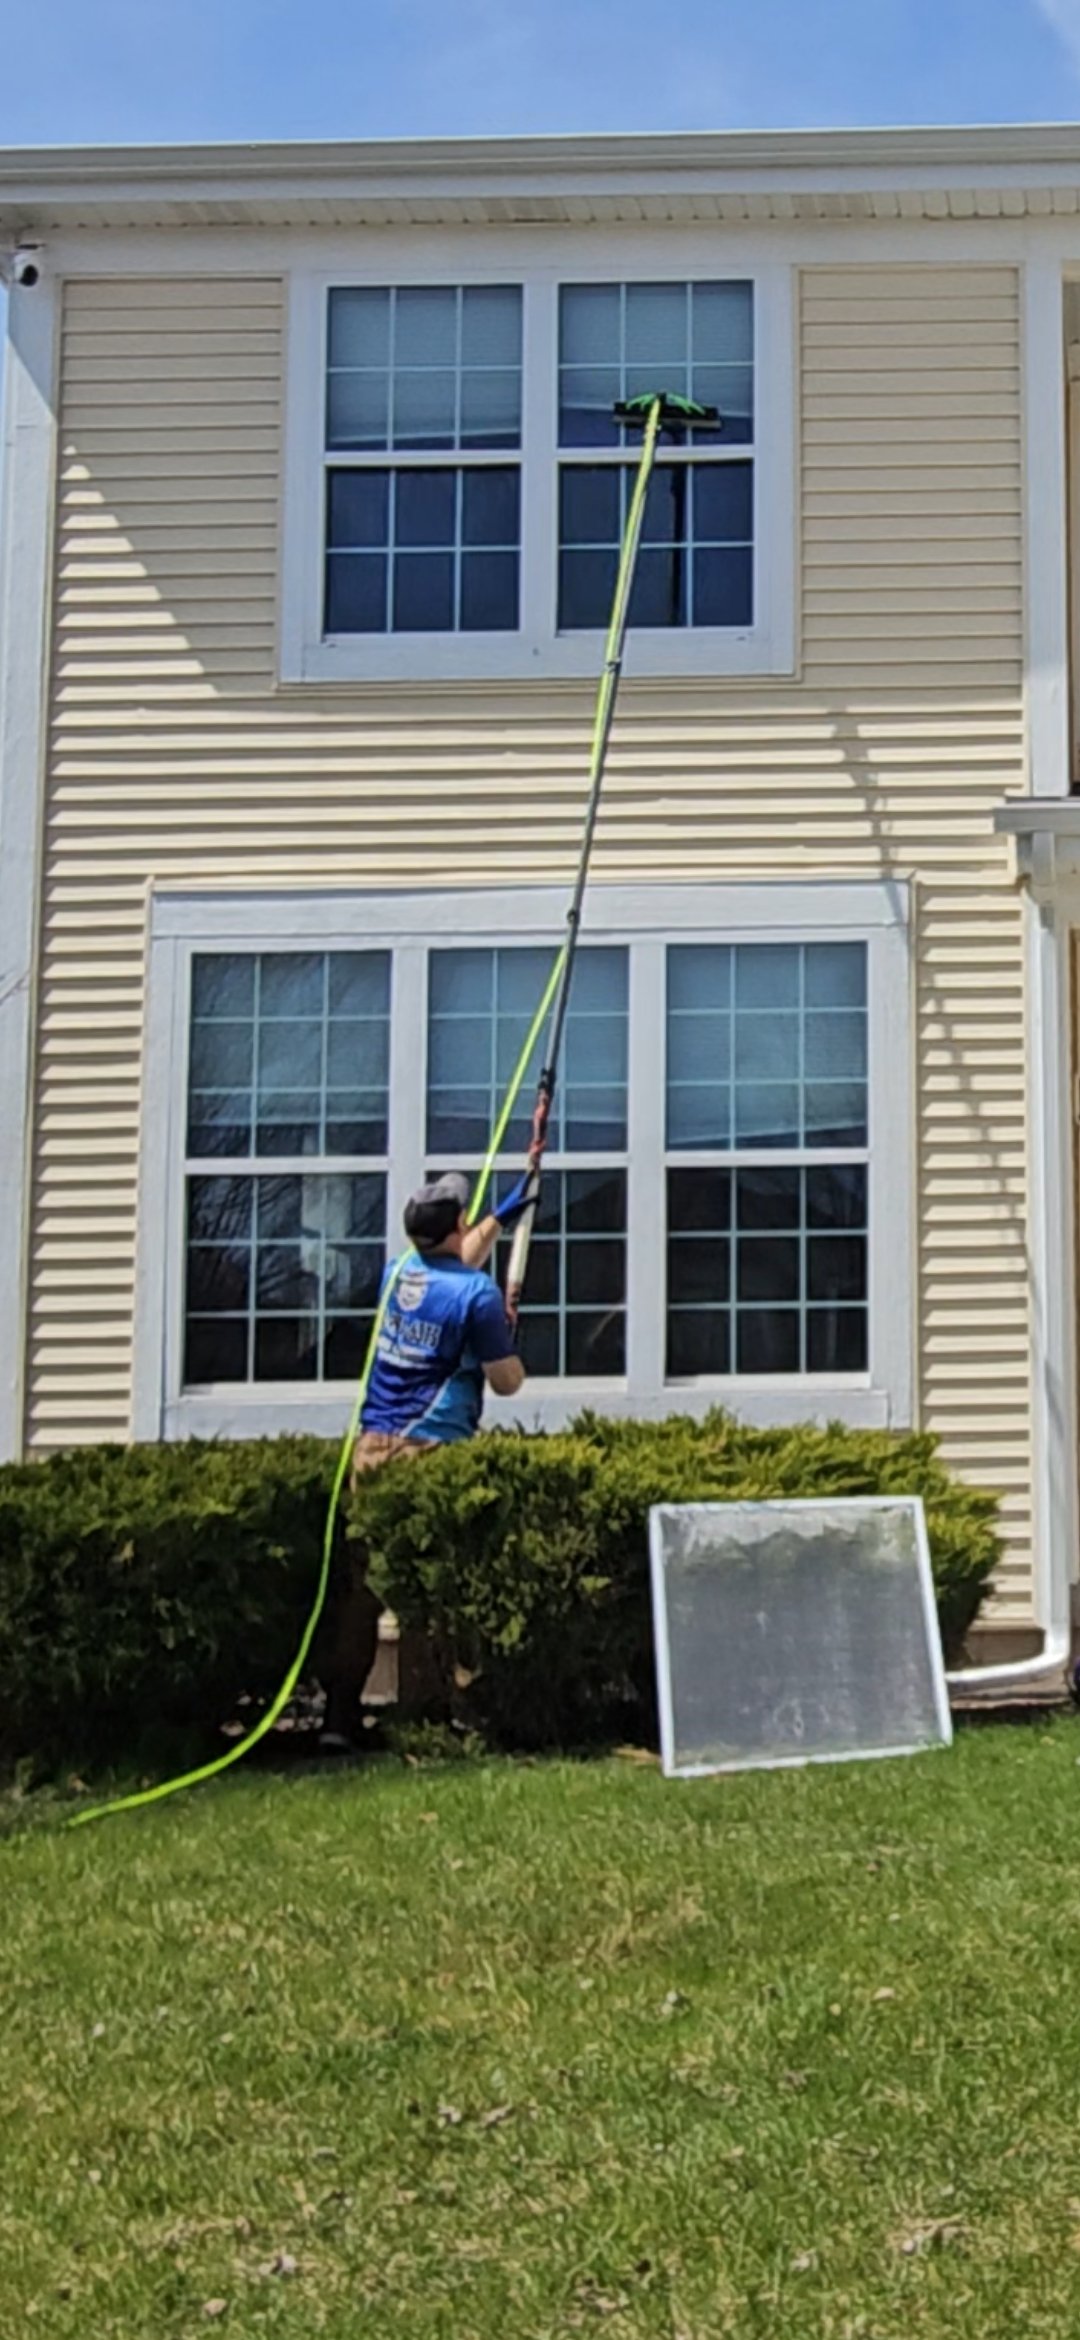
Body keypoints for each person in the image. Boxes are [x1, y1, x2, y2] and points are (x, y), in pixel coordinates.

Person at [319, 1171, 530, 1750]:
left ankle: (339, 1718)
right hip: (432, 1451)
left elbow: (451, 1264)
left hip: (373, 1449)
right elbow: (506, 1382)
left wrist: (500, 1219)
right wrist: (506, 1340)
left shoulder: (397, 1274)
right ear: (458, 1222)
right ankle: (429, 1715)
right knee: (433, 1584)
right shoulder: (478, 1297)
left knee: (365, 1585)